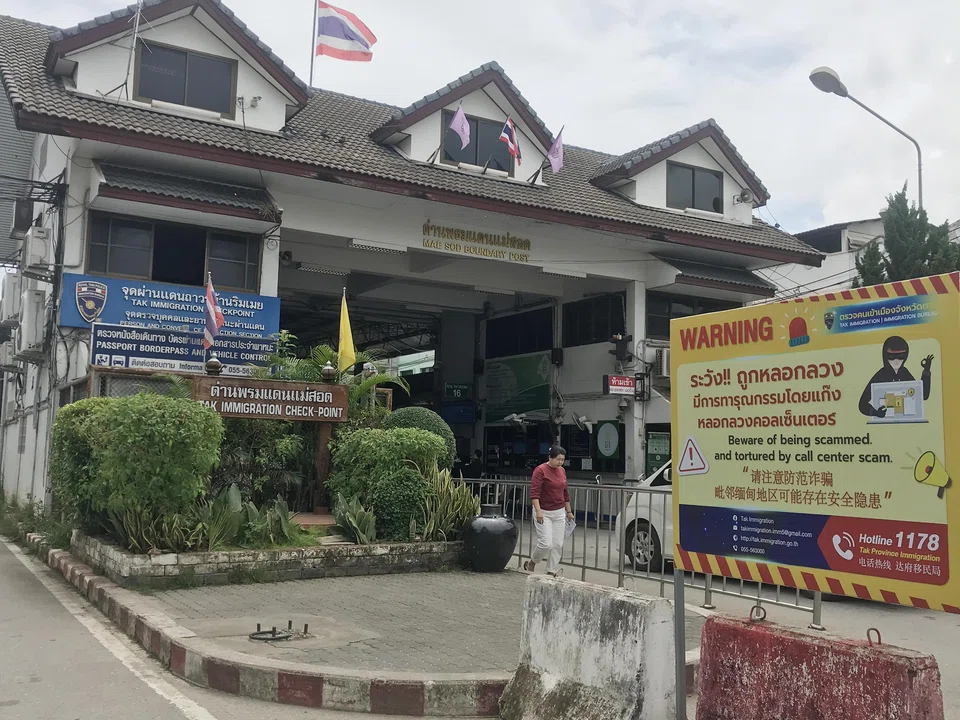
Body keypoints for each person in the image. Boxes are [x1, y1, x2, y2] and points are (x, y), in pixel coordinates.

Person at [523, 445, 574, 576]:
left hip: (559, 511)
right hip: (543, 511)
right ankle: (533, 562)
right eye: (558, 459)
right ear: (550, 457)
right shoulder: (540, 470)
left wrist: (569, 512)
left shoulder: (562, 471)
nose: (560, 462)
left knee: (558, 544)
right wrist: (538, 511)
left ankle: (551, 569)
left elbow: (565, 492)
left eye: (562, 460)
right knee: (546, 543)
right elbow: (534, 493)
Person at [858, 336, 933, 418]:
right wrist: (875, 412)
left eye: (901, 356)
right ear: (885, 356)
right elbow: (862, 404)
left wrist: (926, 371)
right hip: (884, 424)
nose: (896, 360)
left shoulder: (904, 373)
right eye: (891, 356)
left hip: (906, 422)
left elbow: (923, 395)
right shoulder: (881, 375)